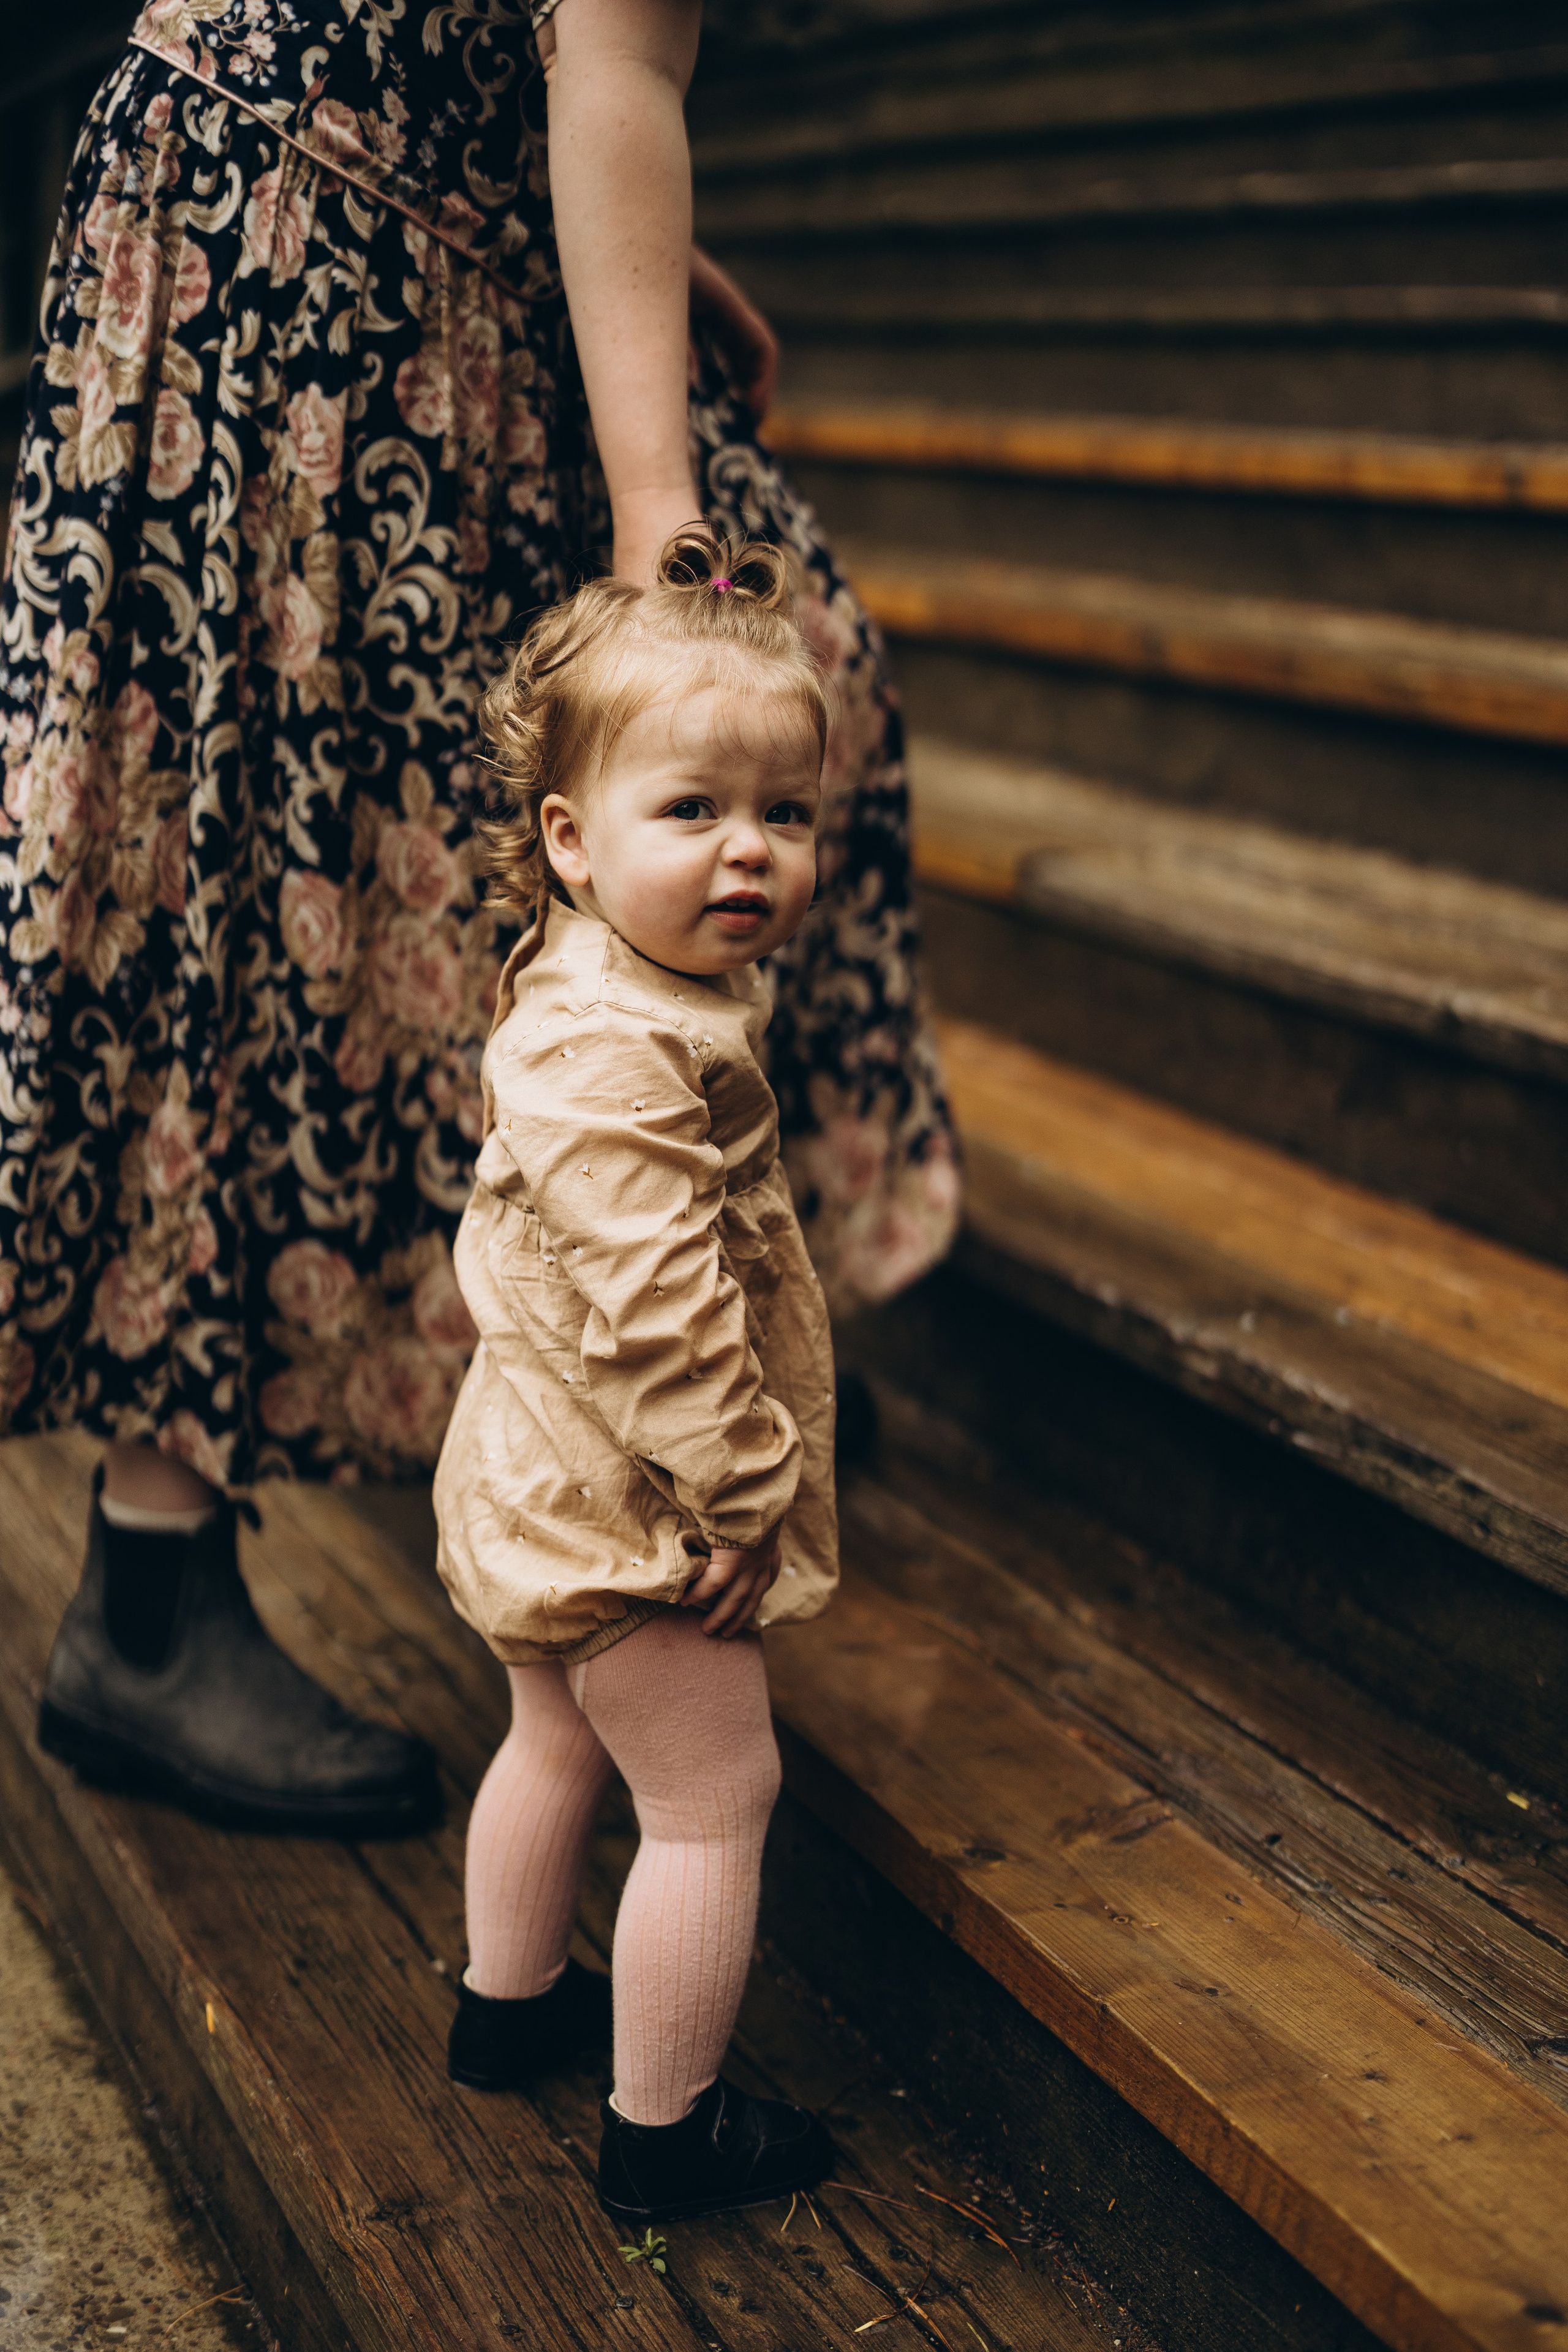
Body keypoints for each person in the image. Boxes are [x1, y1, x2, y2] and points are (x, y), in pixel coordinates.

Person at [1, 0, 956, 1834]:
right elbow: (611, 55)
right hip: (311, 251)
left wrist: (639, 258)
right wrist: (662, 513)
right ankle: (148, 1588)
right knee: (276, 874)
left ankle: (692, 1348)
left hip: (340, 222)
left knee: (344, 855)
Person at [438, 529, 836, 2221]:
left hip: (537, 1471)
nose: (748, 851)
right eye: (692, 811)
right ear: (572, 843)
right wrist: (753, 1487)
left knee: (551, 1736)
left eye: (788, 814)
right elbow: (665, 1310)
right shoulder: (621, 1047)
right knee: (712, 1798)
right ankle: (667, 2136)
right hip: (639, 1509)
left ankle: (505, 2016)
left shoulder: (615, 980)